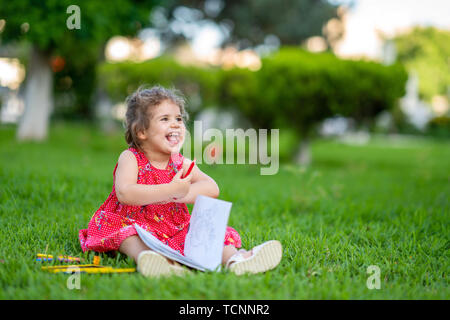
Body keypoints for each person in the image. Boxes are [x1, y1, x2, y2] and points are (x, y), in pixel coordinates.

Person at [79, 85, 282, 277]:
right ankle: (153, 261)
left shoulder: (180, 163)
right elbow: (125, 193)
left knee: (211, 234)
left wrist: (182, 192)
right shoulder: (131, 158)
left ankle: (237, 259)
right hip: (134, 223)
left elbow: (212, 188)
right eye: (165, 119)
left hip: (172, 227)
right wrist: (169, 189)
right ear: (141, 132)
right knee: (127, 234)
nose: (176, 123)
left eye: (178, 118)